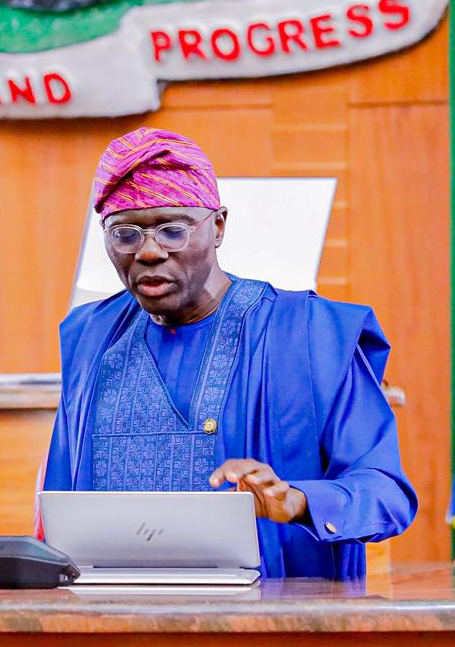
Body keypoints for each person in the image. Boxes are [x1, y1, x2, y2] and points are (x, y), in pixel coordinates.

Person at [40, 127, 416, 579]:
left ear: (217, 227)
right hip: (113, 613)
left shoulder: (309, 334)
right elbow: (59, 511)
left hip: (270, 615)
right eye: (125, 234)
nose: (150, 252)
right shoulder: (92, 338)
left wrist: (299, 500)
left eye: (173, 230)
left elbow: (385, 493)